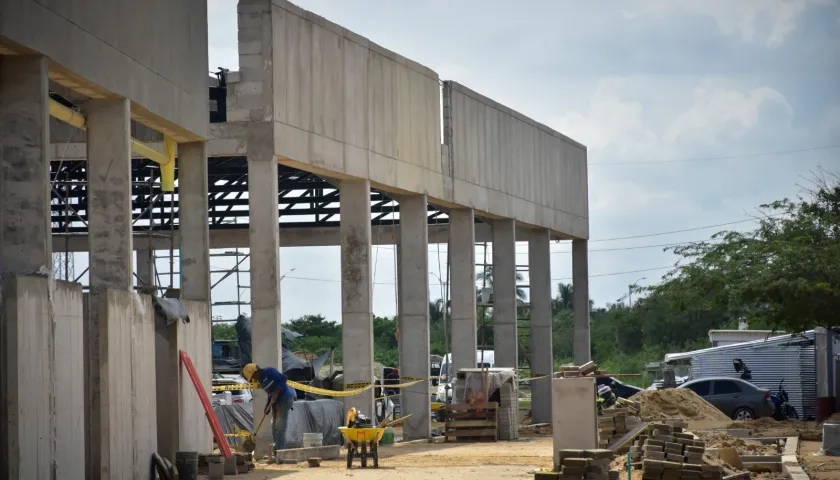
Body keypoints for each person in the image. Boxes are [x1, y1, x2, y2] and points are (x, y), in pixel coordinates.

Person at [242, 363, 296, 450]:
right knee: (274, 427)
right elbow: (270, 394)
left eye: (253, 377)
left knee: (280, 426)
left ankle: (280, 451)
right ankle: (277, 449)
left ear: (256, 372)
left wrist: (277, 391)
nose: (254, 379)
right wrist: (267, 407)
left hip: (285, 399)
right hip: (275, 402)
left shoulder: (269, 371)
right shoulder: (261, 381)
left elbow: (283, 378)